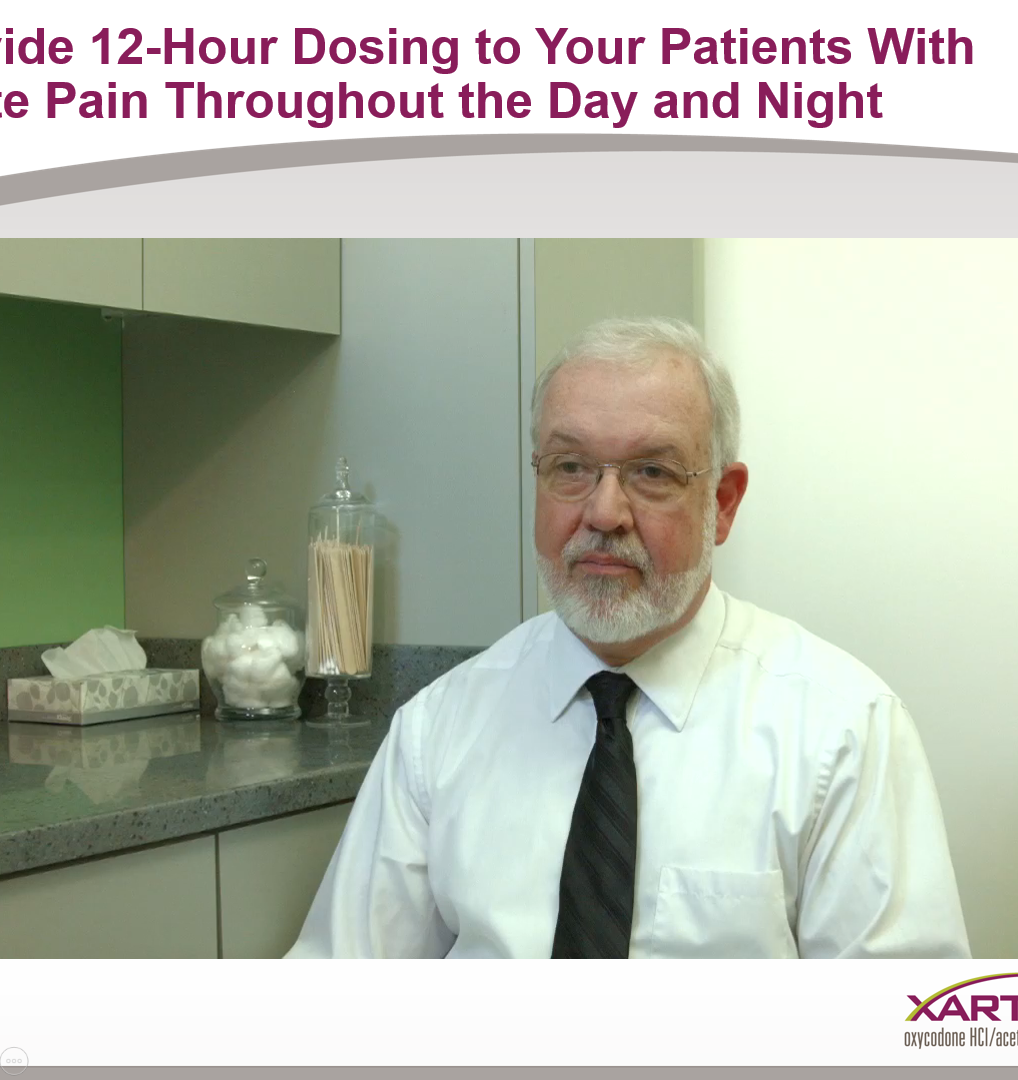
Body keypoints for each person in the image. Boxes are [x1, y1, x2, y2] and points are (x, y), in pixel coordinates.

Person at [286, 316, 970, 958]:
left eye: (652, 473)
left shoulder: (841, 731)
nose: (604, 512)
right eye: (570, 467)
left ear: (722, 503)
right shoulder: (438, 730)